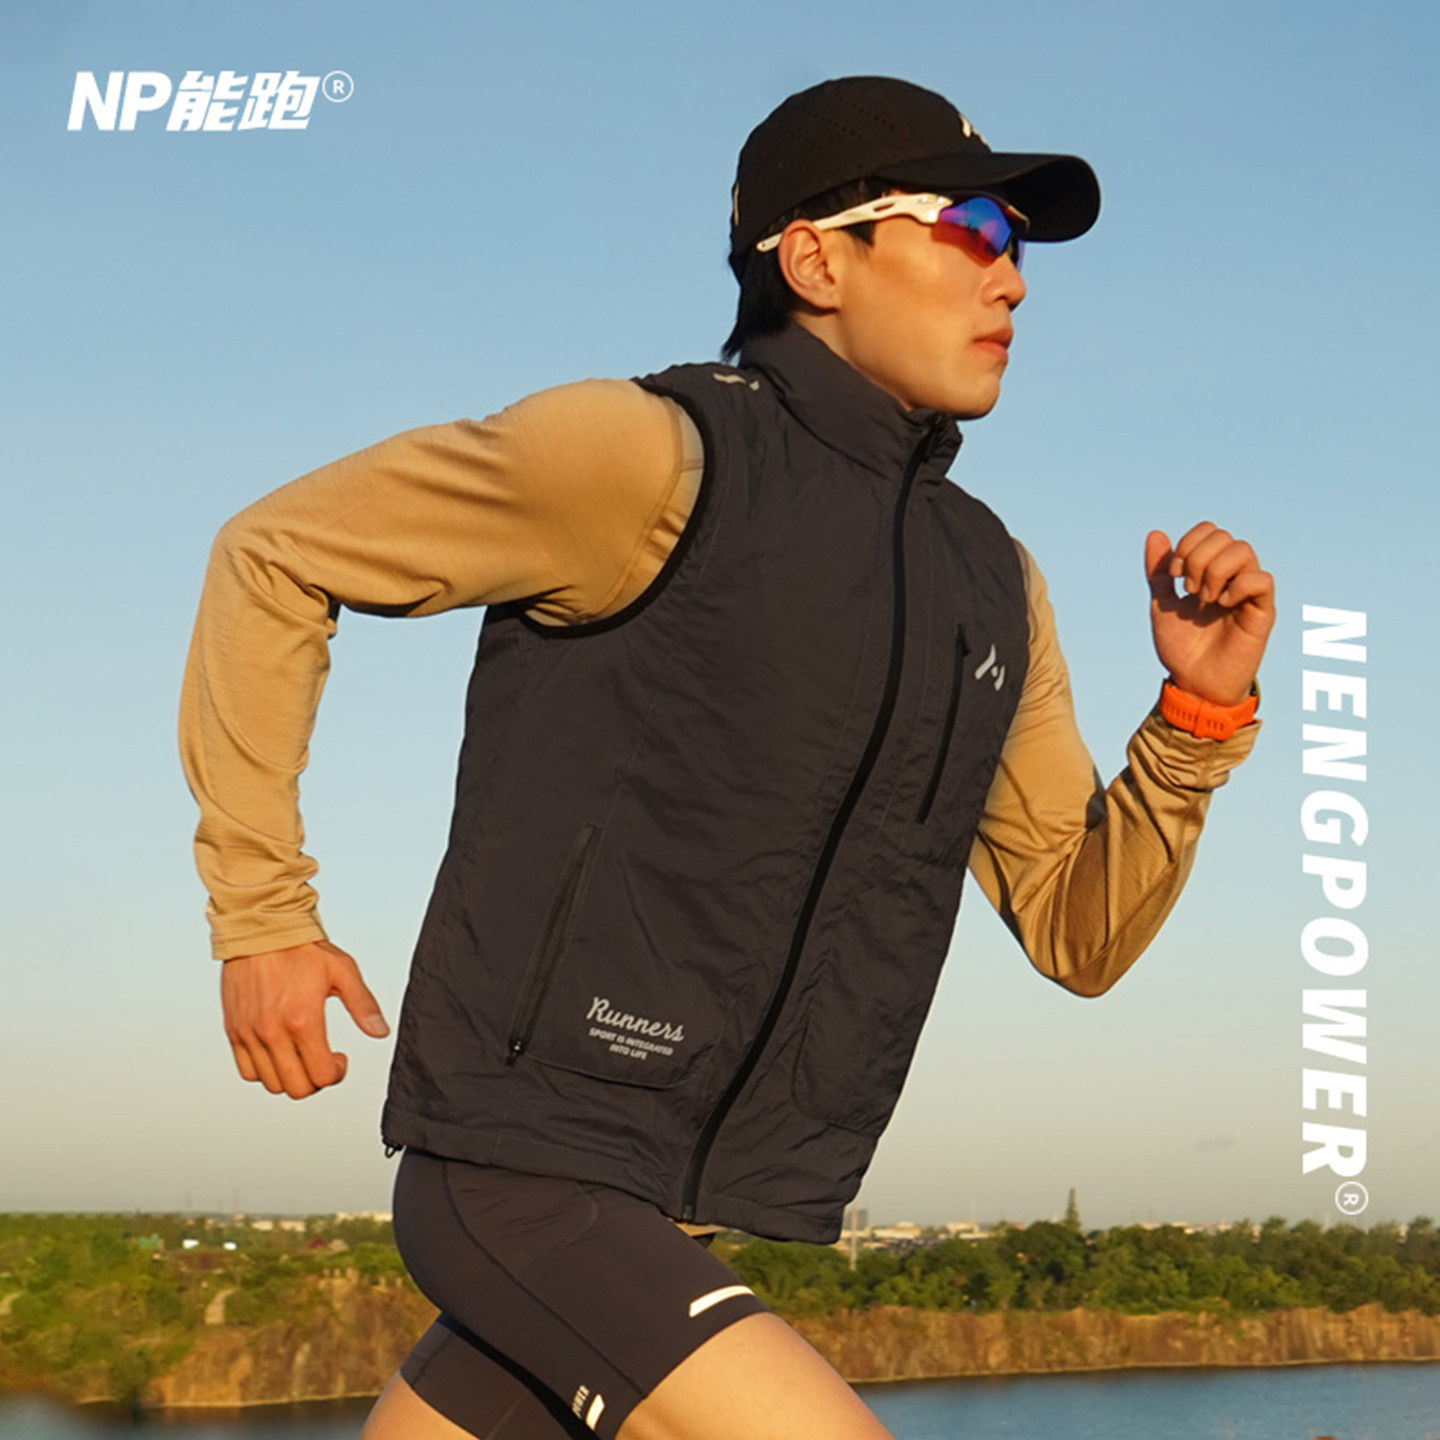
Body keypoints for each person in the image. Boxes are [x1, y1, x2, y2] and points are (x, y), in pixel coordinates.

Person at [181, 76, 1274, 1440]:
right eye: (974, 227)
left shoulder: (993, 583)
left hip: (665, 1211)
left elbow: (1077, 930)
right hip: (522, 1169)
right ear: (815, 259)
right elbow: (274, 554)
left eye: (1019, 243)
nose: (1013, 276)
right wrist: (262, 917)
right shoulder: (647, 455)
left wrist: (1194, 725)